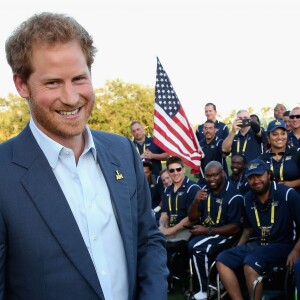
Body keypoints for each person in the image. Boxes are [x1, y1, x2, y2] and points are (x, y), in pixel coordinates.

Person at [2, 12, 168, 300]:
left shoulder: (123, 151)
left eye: (79, 78)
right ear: (22, 85)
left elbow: (148, 242)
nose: (70, 97)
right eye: (53, 83)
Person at [216, 159, 300, 300]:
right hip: (260, 244)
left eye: (259, 175)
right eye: (251, 177)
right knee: (222, 260)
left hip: (284, 245)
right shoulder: (247, 198)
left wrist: (296, 250)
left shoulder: (287, 194)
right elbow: (248, 229)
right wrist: (238, 247)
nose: (255, 181)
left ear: (268, 174)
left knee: (251, 263)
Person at [187, 161, 244, 300]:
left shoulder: (234, 195)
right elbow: (192, 218)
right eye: (208, 176)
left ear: (223, 173)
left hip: (227, 234)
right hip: (209, 231)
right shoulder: (204, 190)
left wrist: (207, 230)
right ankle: (205, 283)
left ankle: (207, 289)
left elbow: (235, 228)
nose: (211, 179)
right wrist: (196, 201)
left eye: (215, 175)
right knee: (190, 242)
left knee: (198, 247)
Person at [159, 156, 201, 292]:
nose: (175, 173)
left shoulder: (192, 188)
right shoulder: (167, 190)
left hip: (189, 229)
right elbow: (164, 214)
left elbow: (191, 218)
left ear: (184, 170)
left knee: (170, 245)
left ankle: (181, 278)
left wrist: (169, 232)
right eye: (172, 170)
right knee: (154, 242)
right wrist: (162, 227)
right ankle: (166, 280)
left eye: (178, 169)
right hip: (171, 229)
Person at [260, 119, 300, 194]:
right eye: (275, 134)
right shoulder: (262, 159)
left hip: (295, 200)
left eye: (283, 133)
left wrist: (291, 184)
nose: (280, 137)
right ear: (268, 138)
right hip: (271, 202)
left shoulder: (296, 153)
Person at [197, 119, 228, 184]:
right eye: (206, 128)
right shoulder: (199, 144)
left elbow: (226, 150)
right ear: (203, 130)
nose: (208, 131)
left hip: (218, 180)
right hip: (204, 179)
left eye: (210, 128)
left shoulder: (220, 143)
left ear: (215, 130)